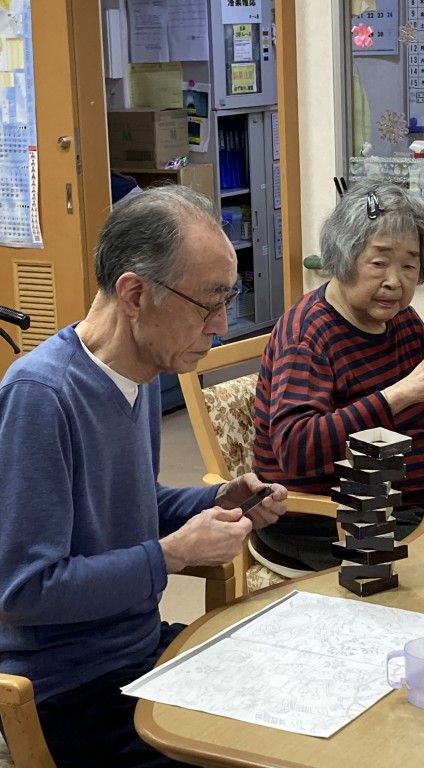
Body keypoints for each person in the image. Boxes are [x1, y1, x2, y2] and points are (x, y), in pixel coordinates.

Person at [0, 185, 287, 767]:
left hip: (137, 651)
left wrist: (216, 499)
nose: (220, 325)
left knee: (293, 699)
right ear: (134, 294)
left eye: (228, 299)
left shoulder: (140, 375)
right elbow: (26, 589)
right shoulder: (39, 396)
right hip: (70, 689)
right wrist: (172, 555)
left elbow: (126, 506)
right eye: (207, 303)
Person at [253, 178, 424, 571]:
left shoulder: (402, 319)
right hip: (331, 518)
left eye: (409, 265)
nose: (395, 281)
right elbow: (295, 448)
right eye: (379, 262)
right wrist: (399, 395)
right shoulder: (307, 335)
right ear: (343, 257)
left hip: (412, 502)